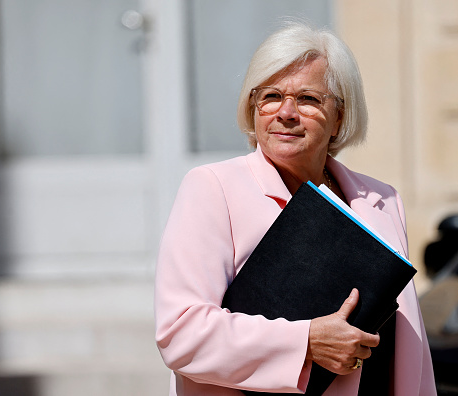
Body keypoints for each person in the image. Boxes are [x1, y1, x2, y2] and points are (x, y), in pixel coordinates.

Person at [155, 22, 436, 395]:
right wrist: (305, 341)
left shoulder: (382, 199)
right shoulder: (213, 188)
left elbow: (410, 350)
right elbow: (181, 333)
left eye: (308, 99)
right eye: (271, 96)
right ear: (252, 106)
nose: (286, 112)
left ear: (339, 117)